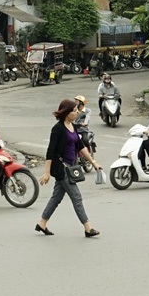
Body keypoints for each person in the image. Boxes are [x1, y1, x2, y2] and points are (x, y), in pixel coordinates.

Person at [36, 98, 101, 237]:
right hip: (61, 168)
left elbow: (81, 147)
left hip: (70, 166)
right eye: (74, 111)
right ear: (66, 113)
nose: (76, 113)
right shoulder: (58, 129)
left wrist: (93, 162)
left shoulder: (74, 127)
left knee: (56, 197)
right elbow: (50, 151)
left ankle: (42, 223)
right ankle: (87, 227)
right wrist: (46, 172)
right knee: (76, 196)